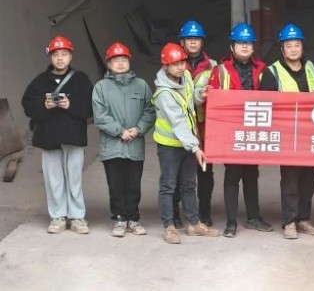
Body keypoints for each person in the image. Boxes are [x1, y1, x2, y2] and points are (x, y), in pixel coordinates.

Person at [206, 22, 274, 238]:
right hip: (231, 133)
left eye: (248, 43)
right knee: (232, 175)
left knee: (251, 175)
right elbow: (212, 102)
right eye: (240, 43)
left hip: (253, 131)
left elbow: (272, 100)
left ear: (253, 47)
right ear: (232, 46)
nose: (244, 46)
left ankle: (254, 217)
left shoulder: (262, 70)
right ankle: (231, 222)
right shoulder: (220, 71)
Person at [21, 36, 94, 235]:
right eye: (56, 54)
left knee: (74, 178)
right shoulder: (39, 81)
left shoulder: (81, 79)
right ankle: (58, 216)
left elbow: (91, 105)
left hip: (73, 136)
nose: (60, 58)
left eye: (64, 54)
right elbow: (27, 104)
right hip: (49, 137)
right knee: (53, 178)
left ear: (71, 56)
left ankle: (77, 216)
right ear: (50, 57)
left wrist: (71, 105)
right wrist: (43, 105)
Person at [152, 43, 220, 244]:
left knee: (189, 184)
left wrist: (200, 95)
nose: (180, 67)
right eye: (175, 64)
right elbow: (178, 123)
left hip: (187, 142)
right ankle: (169, 226)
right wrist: (196, 147)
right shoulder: (164, 93)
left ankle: (194, 223)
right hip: (169, 145)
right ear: (166, 66)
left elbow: (189, 102)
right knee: (168, 185)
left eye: (182, 62)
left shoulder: (187, 77)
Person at [260, 23, 314, 240]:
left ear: (302, 47)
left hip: (310, 133)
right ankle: (290, 221)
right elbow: (265, 105)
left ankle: (304, 219)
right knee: (290, 180)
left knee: (309, 179)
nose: (293, 49)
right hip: (287, 135)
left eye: (297, 45)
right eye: (289, 46)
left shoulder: (311, 67)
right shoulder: (272, 72)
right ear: (282, 49)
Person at [92, 41, 154, 237]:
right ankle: (120, 219)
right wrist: (120, 131)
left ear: (129, 61)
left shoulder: (141, 85)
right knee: (116, 185)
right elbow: (100, 116)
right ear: (108, 64)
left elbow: (150, 110)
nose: (120, 63)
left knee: (134, 185)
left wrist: (138, 129)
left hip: (135, 144)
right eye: (115, 60)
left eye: (123, 59)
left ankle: (133, 219)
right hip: (112, 146)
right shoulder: (101, 87)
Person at [174, 20, 217, 227]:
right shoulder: (173, 63)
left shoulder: (213, 66)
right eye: (189, 39)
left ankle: (204, 213)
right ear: (182, 42)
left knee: (204, 172)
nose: (193, 42)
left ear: (202, 42)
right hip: (180, 125)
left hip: (204, 126)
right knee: (178, 173)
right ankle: (175, 214)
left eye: (196, 39)